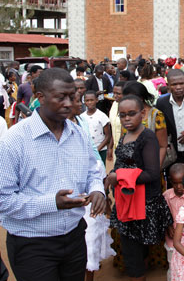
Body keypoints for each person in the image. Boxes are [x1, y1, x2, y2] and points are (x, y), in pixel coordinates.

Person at [0, 68, 106, 281]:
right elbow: (4, 200)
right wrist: (52, 203)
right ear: (40, 97)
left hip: (75, 237)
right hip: (33, 245)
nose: (69, 103)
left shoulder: (78, 134)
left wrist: (97, 190)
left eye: (72, 97)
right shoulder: (14, 141)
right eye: (61, 97)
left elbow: (92, 172)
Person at [105, 95, 173, 280]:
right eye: (122, 115)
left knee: (132, 248)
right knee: (133, 247)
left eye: (131, 114)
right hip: (126, 198)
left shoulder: (147, 137)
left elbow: (151, 173)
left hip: (141, 202)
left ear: (142, 113)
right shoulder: (127, 134)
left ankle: (138, 275)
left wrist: (118, 176)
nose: (126, 118)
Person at [68, 92, 116, 281]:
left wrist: (100, 179)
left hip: (90, 184)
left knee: (91, 233)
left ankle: (90, 275)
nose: (79, 103)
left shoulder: (81, 122)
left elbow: (92, 154)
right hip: (71, 191)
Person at [156, 69, 184, 164]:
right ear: (168, 86)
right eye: (174, 85)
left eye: (181, 83)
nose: (178, 87)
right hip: (172, 154)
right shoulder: (161, 103)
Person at [123, 82, 168, 167]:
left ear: (140, 98)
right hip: (130, 168)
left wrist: (156, 169)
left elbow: (163, 146)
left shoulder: (156, 115)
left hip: (150, 166)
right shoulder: (126, 115)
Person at [163, 163, 184, 281]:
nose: (179, 186)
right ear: (170, 181)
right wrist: (168, 226)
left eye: (182, 182)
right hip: (172, 241)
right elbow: (163, 214)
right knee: (173, 266)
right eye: (175, 183)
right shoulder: (166, 196)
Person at [82, 90, 112, 166]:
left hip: (101, 150)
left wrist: (97, 149)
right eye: (87, 100)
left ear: (96, 100)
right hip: (86, 150)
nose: (89, 102)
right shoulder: (82, 117)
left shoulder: (102, 116)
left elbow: (108, 135)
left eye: (92, 100)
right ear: (84, 102)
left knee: (100, 170)